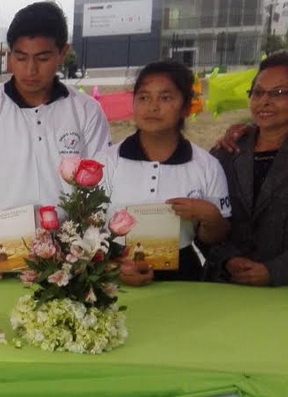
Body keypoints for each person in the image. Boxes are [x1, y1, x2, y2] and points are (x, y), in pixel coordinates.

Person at [0, 1, 110, 277]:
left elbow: (97, 189)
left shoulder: (86, 111)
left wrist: (84, 248)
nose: (30, 70)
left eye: (42, 58)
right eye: (20, 57)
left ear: (63, 53)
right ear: (9, 54)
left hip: (66, 264)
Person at [103, 61, 230, 284]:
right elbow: (87, 229)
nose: (153, 107)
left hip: (182, 278)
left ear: (185, 107)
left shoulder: (207, 166)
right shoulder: (107, 162)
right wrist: (113, 268)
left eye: (165, 98)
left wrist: (210, 217)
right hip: (115, 274)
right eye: (143, 97)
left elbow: (214, 237)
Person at [205, 52, 288, 286]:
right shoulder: (227, 152)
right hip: (226, 286)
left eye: (279, 93)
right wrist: (227, 259)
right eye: (258, 92)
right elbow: (206, 221)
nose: (265, 101)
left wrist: (274, 271)